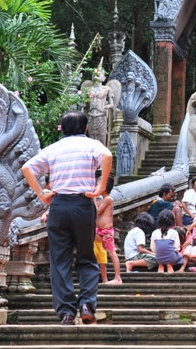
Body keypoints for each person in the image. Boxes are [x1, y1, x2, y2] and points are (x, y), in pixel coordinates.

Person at [22, 110, 112, 325]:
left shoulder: (53, 148)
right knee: (86, 257)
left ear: (62, 128)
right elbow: (107, 156)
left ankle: (66, 312)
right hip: (83, 205)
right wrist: (101, 185)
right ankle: (86, 304)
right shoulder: (91, 145)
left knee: (60, 260)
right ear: (85, 128)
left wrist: (42, 194)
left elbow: (27, 168)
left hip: (59, 205)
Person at [93, 174, 122, 285]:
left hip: (106, 231)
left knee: (112, 252)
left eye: (98, 185)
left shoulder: (108, 199)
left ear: (103, 187)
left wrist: (94, 198)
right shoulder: (104, 200)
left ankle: (118, 278)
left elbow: (97, 211)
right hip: (99, 231)